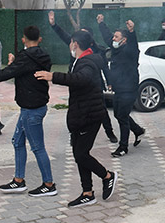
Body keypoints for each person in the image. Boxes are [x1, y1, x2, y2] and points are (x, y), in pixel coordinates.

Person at [0, 25, 56, 197]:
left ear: (24, 39)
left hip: (32, 109)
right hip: (30, 107)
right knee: (17, 142)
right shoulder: (42, 56)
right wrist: (13, 65)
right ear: (39, 39)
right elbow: (26, 73)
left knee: (38, 147)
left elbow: (1, 76)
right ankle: (18, 181)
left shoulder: (25, 57)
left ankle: (49, 184)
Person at [35, 30, 117, 208]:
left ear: (75, 44)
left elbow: (81, 79)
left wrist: (52, 76)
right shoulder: (83, 59)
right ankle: (87, 193)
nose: (69, 46)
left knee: (81, 154)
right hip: (81, 115)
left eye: (70, 43)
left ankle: (107, 176)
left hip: (90, 115)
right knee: (79, 154)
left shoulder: (87, 62)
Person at [47, 11, 118, 143]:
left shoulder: (96, 51)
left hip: (93, 85)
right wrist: (53, 24)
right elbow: (63, 35)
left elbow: (104, 68)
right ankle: (76, 133)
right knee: (77, 107)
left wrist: (109, 82)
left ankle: (110, 132)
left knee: (100, 109)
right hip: (76, 83)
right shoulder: (75, 45)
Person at [96, 14, 146, 157]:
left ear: (124, 40)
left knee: (122, 117)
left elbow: (134, 45)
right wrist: (101, 24)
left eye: (116, 37)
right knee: (119, 114)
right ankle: (138, 130)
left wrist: (132, 32)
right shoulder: (116, 50)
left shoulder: (130, 51)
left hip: (129, 90)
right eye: (114, 37)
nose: (113, 39)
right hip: (119, 90)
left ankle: (123, 147)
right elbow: (107, 37)